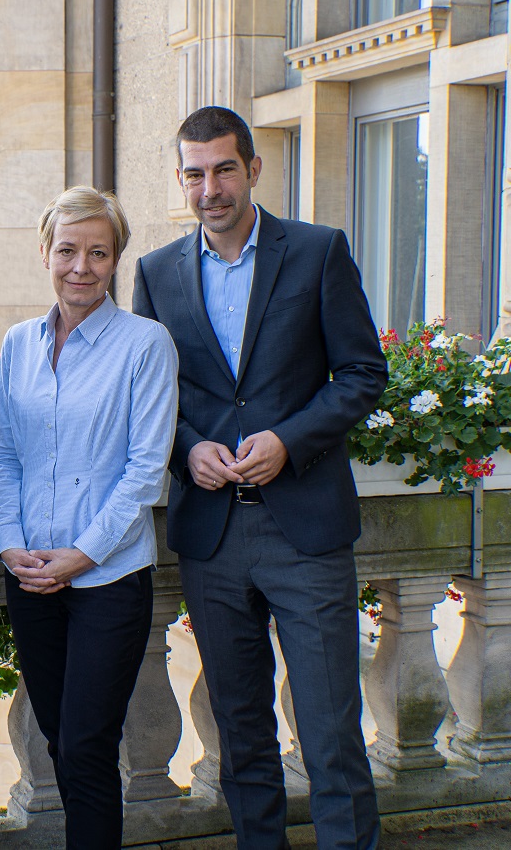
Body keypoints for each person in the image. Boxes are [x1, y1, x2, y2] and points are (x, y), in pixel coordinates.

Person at [133, 106, 387, 849]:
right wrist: (187, 449)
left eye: (223, 169)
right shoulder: (154, 274)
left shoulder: (316, 251)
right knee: (240, 736)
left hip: (303, 528)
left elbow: (363, 372)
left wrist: (288, 438)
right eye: (194, 173)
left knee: (330, 732)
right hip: (211, 537)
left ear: (253, 169)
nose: (210, 187)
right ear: (180, 179)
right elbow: (150, 399)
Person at [0, 186, 177, 848]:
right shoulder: (19, 343)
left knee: (89, 744)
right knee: (60, 738)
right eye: (68, 250)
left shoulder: (146, 345)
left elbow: (145, 473)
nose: (81, 266)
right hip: (31, 574)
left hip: (108, 580)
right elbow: (3, 456)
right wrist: (11, 548)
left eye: (99, 252)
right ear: (45, 253)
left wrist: (82, 555)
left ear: (116, 259)